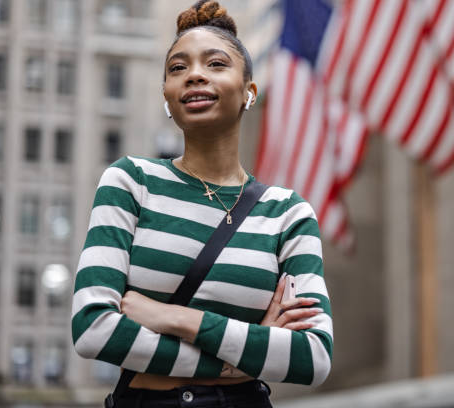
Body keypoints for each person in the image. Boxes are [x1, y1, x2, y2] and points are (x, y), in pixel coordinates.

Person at [70, 1, 332, 407]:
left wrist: (176, 318)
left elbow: (312, 356)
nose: (194, 74)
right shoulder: (130, 182)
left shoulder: (288, 213)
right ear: (167, 96)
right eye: (178, 68)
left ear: (249, 92)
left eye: (215, 64)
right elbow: (93, 329)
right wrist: (244, 357)